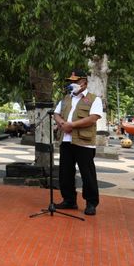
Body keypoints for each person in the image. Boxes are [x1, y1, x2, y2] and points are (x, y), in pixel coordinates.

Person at [53, 69, 104, 216]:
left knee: (87, 173)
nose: (72, 83)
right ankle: (69, 200)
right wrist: (62, 122)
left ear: (84, 83)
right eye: (70, 81)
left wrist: (72, 125)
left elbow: (93, 117)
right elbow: (56, 113)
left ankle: (91, 203)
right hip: (66, 140)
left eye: (75, 81)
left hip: (84, 142)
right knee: (65, 172)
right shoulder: (66, 99)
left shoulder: (94, 99)